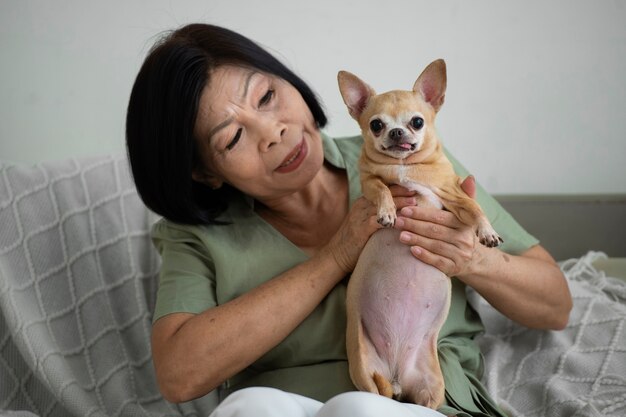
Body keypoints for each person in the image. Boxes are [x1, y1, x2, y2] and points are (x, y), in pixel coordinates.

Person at [125, 23, 572, 417]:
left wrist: (473, 260)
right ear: (204, 172)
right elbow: (180, 375)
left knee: (360, 409)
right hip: (280, 405)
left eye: (266, 96)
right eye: (235, 136)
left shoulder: (417, 160)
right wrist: (339, 253)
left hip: (417, 400)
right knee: (249, 407)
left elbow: (555, 304)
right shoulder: (197, 235)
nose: (273, 132)